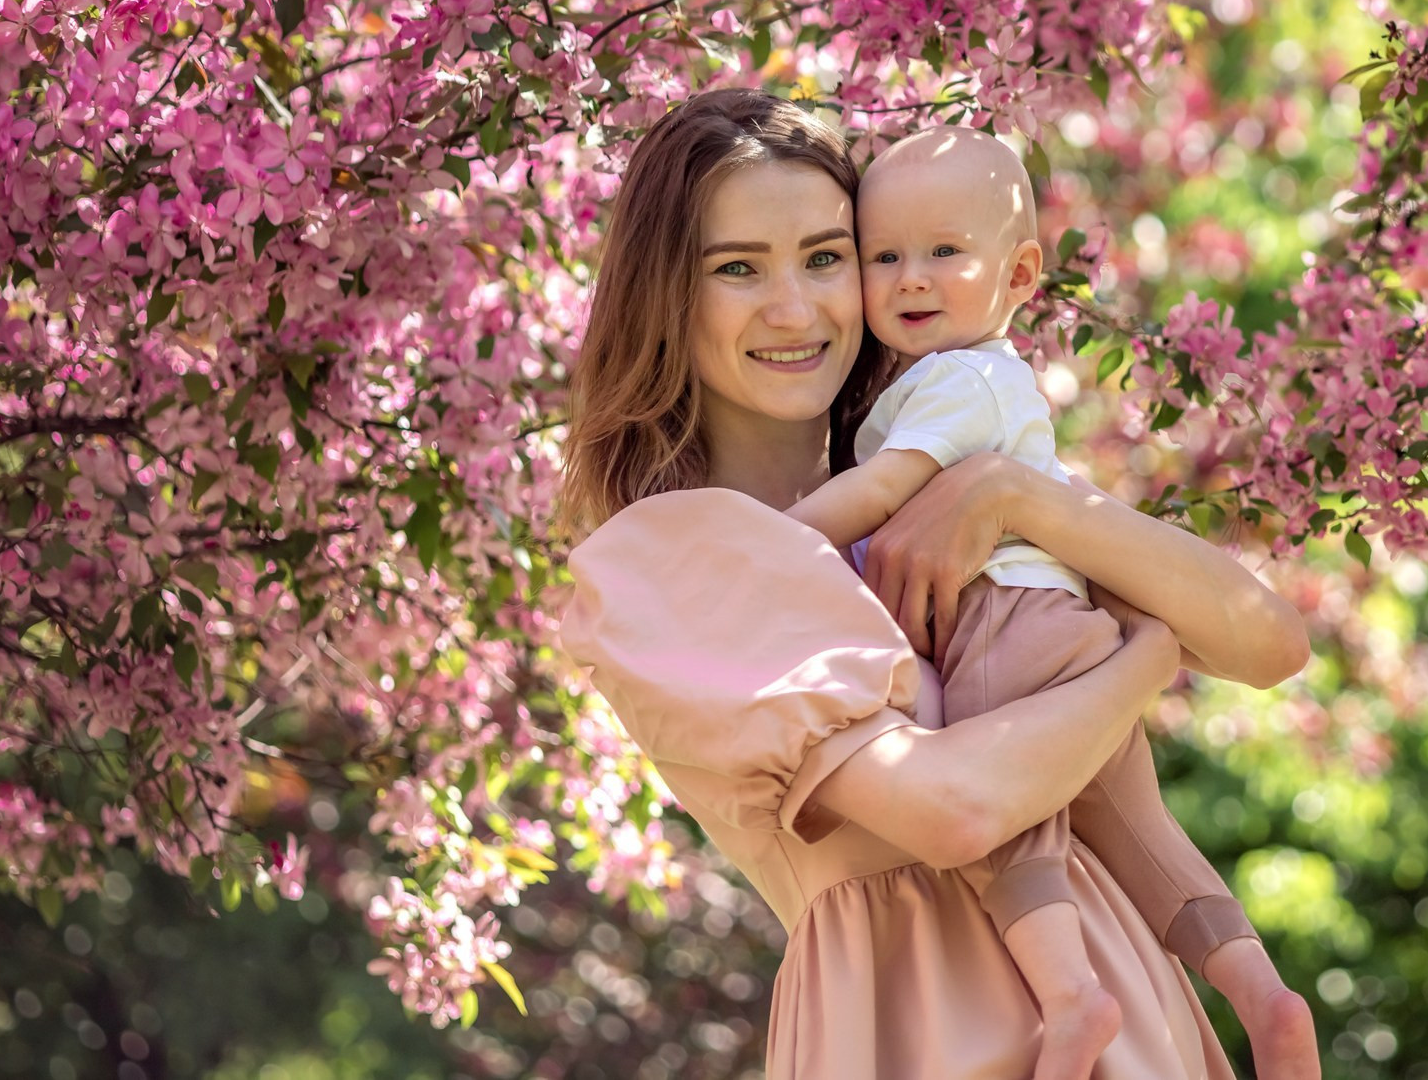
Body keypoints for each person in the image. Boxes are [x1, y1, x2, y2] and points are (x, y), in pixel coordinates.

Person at [556, 90, 1314, 1080]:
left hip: (1128, 1017)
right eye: (738, 269)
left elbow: (1267, 645)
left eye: (826, 257)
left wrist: (1019, 498)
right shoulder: (674, 554)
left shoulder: (956, 474)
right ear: (667, 297)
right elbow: (953, 810)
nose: (797, 308)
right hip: (926, 1032)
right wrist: (1149, 657)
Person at [778, 125, 1316, 1080]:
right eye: (883, 255)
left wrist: (777, 533)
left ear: (1022, 273)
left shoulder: (956, 378)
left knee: (1019, 824)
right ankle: (1266, 999)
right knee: (1148, 841)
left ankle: (1072, 1000)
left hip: (1004, 626)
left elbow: (877, 491)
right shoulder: (985, 382)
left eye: (945, 251)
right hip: (1071, 632)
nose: (909, 278)